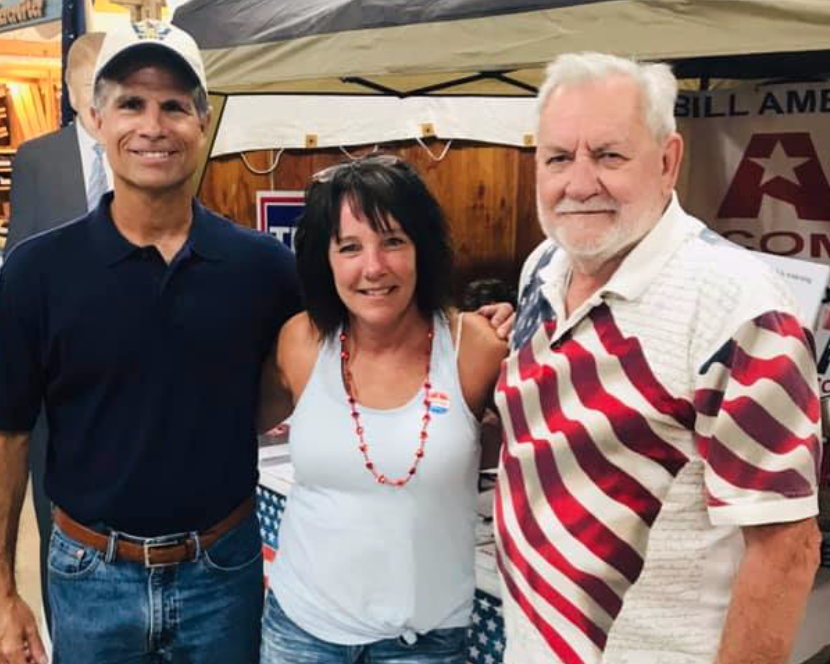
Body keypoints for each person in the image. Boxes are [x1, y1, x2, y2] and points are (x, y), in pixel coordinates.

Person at [495, 52, 821, 664]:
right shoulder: (544, 265)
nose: (579, 184)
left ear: (668, 161)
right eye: (559, 158)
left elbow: (787, 547)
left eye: (608, 156)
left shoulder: (741, 304)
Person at [0, 20, 301, 664]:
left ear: (203, 121)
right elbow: (8, 436)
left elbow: (306, 371)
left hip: (222, 571)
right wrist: (2, 592)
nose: (153, 126)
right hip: (90, 577)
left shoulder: (263, 269)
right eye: (132, 103)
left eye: (174, 106)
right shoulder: (36, 273)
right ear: (96, 119)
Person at [258, 155, 508, 664]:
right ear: (325, 260)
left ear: (422, 249)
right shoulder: (301, 342)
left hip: (425, 639)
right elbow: (228, 428)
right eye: (349, 247)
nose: (373, 267)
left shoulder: (475, 347)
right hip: (301, 632)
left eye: (393, 241)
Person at [5, 31, 107, 635]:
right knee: (54, 519)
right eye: (93, 88)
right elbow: (21, 262)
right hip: (55, 375)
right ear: (71, 93)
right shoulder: (38, 160)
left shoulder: (145, 151)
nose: (102, 103)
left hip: (131, 374)